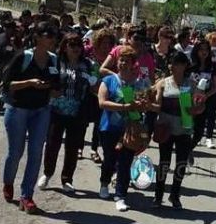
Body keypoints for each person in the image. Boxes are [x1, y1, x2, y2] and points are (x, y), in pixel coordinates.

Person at [0, 21, 60, 214]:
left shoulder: (54, 60)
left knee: (35, 154)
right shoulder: (23, 56)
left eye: (54, 35)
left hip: (41, 110)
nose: (52, 39)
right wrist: (30, 83)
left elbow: (57, 87)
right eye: (48, 35)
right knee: (15, 152)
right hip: (18, 109)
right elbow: (7, 84)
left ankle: (27, 196)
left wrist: (51, 88)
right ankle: (8, 182)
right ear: (37, 37)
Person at [37, 33, 96, 194]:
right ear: (65, 47)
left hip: (78, 111)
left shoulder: (88, 64)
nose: (76, 48)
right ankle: (47, 174)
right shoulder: (56, 61)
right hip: (57, 109)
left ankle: (67, 179)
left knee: (72, 146)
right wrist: (50, 90)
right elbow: (47, 80)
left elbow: (95, 85)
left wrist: (93, 84)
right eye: (72, 45)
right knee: (52, 144)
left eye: (78, 45)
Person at [97, 46, 151, 212]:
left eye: (127, 61)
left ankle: (120, 195)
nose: (123, 64)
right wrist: (125, 106)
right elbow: (102, 102)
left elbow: (145, 105)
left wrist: (142, 105)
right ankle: (104, 183)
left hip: (129, 130)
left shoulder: (139, 84)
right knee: (109, 159)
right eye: (121, 60)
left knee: (125, 163)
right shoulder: (109, 81)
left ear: (133, 64)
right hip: (109, 128)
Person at [152, 52, 204, 209]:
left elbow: (200, 107)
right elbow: (157, 105)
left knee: (181, 163)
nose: (173, 66)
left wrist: (196, 109)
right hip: (165, 128)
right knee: (164, 163)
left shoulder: (191, 84)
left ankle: (175, 195)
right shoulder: (163, 83)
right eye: (172, 63)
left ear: (184, 66)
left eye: (177, 63)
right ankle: (158, 195)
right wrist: (146, 102)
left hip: (184, 129)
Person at [84, 28, 116, 163]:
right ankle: (79, 146)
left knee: (99, 122)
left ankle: (94, 148)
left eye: (109, 43)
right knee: (83, 120)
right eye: (103, 42)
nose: (106, 46)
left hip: (102, 93)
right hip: (87, 91)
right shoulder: (89, 51)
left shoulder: (112, 56)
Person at [189, 41, 216, 156]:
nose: (204, 52)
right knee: (186, 128)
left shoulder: (213, 67)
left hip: (204, 102)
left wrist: (205, 96)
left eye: (206, 50)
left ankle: (189, 149)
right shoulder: (190, 65)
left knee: (199, 131)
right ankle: (183, 151)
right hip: (188, 101)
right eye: (201, 49)